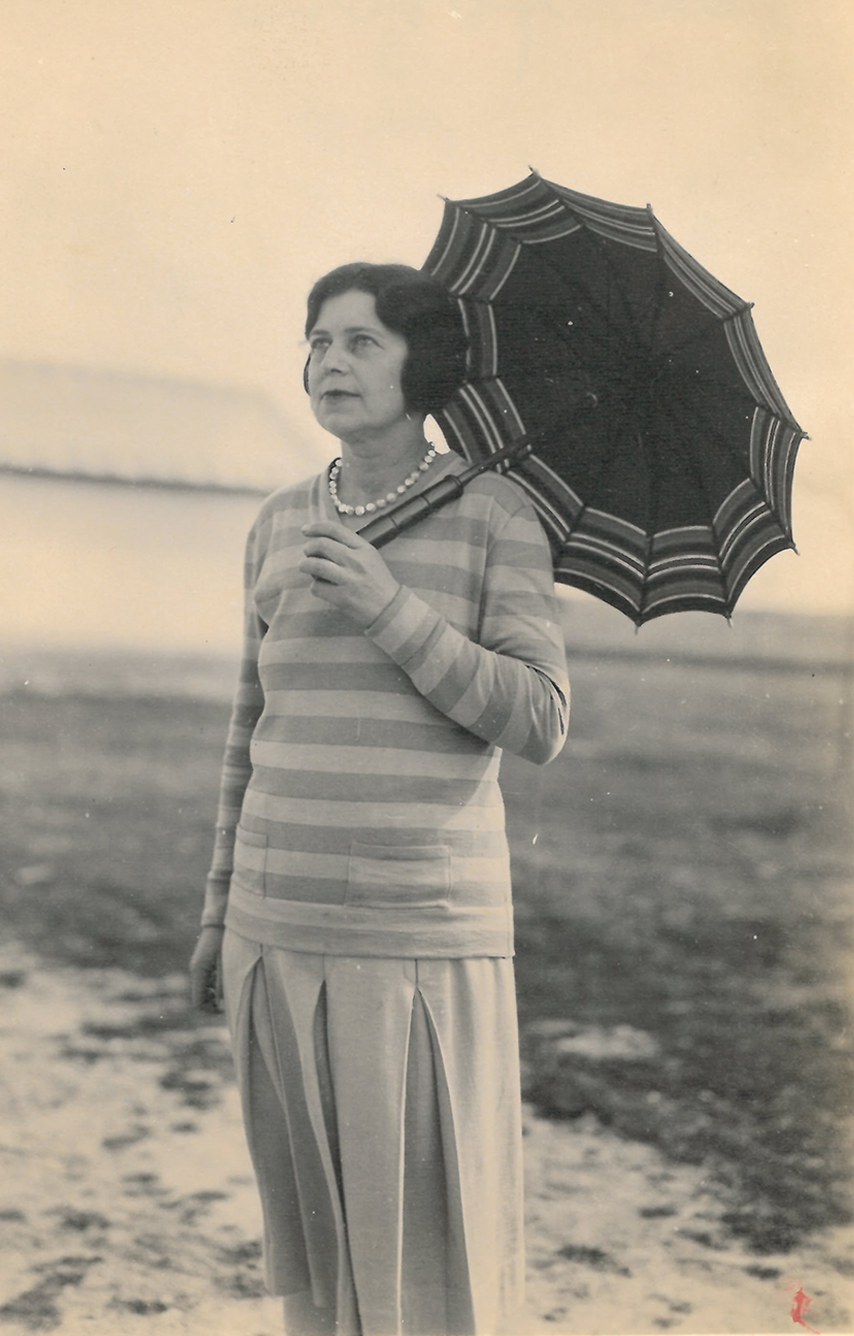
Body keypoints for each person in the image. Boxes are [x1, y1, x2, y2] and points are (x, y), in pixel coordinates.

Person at [189, 262, 570, 1336]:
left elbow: (539, 718)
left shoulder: (497, 516)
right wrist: (220, 914)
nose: (330, 363)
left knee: (422, 1255)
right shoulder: (276, 523)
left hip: (414, 938)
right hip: (275, 927)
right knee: (316, 1249)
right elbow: (246, 731)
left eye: (362, 342)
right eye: (317, 341)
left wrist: (388, 606)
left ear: (424, 362)